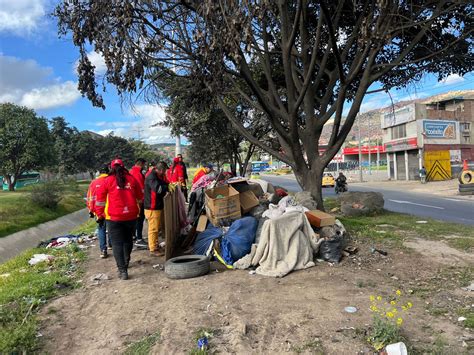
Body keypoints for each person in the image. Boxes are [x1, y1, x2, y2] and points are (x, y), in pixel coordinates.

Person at [95, 158, 143, 280]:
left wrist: (100, 215)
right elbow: (140, 196)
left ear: (111, 168)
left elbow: (99, 200)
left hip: (114, 217)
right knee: (128, 240)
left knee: (117, 244)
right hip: (131, 216)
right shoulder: (132, 179)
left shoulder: (108, 181)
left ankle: (122, 271)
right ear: (123, 167)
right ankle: (126, 261)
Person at [144, 161, 169, 256]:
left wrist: (167, 185)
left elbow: (164, 183)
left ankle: (155, 245)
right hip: (152, 207)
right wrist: (166, 187)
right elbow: (158, 189)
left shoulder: (157, 176)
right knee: (153, 229)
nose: (165, 172)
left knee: (156, 228)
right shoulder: (151, 177)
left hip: (156, 205)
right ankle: (153, 249)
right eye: (165, 170)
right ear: (161, 170)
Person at [86, 164, 111, 258]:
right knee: (112, 229)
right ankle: (111, 245)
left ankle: (103, 250)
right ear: (108, 171)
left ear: (99, 173)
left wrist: (91, 210)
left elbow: (90, 198)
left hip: (99, 212)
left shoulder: (94, 183)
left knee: (101, 229)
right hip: (111, 210)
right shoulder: (111, 180)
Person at [130, 158, 147, 248]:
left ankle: (135, 236)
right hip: (138, 200)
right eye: (144, 165)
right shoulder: (137, 173)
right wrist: (142, 199)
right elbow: (141, 188)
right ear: (141, 164)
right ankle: (139, 239)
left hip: (133, 200)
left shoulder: (132, 172)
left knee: (136, 219)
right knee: (140, 219)